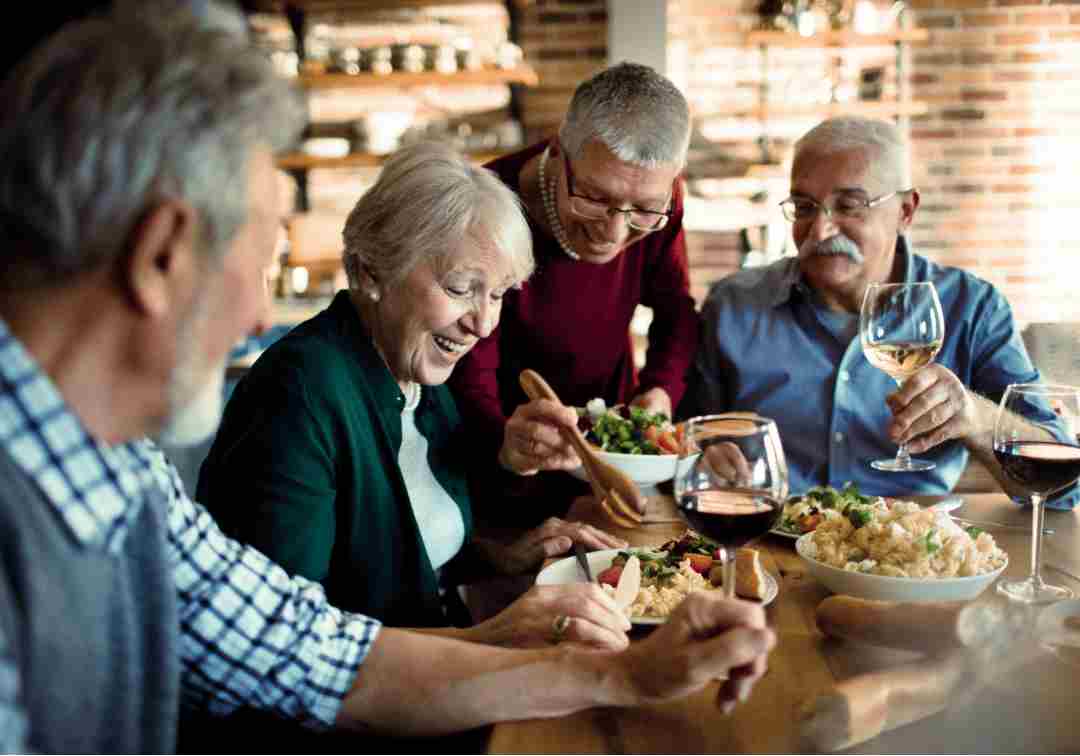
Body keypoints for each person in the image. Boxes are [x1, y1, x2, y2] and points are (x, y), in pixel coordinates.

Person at [0, 11, 774, 753]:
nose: (260, 310)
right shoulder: (298, 390)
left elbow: (306, 648)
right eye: (260, 258)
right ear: (163, 253)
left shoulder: (123, 470)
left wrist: (623, 674)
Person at [196, 141, 632, 652]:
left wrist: (506, 556)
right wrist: (490, 641)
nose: (483, 323)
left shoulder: (417, 376)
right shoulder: (297, 396)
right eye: (460, 288)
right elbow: (283, 645)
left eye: (496, 294)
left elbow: (406, 550)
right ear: (370, 272)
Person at [681, 115, 1076, 508]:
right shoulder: (732, 306)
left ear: (906, 211)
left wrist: (975, 417)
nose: (819, 231)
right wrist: (702, 457)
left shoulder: (973, 308)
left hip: (909, 556)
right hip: (768, 547)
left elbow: (1064, 488)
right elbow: (681, 444)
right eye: (804, 207)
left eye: (849, 206)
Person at [448, 62, 701, 522]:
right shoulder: (488, 207)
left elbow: (675, 311)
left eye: (644, 209)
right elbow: (470, 368)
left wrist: (661, 388)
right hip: (497, 462)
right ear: (560, 150)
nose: (614, 230)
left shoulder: (663, 199)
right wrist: (505, 443)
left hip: (610, 465)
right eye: (594, 197)